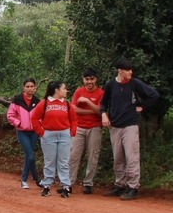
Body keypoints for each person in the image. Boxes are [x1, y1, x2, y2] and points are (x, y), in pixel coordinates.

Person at [101, 58, 160, 201]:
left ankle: (133, 187)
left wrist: (142, 107)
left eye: (131, 70)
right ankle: (119, 185)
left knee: (131, 156)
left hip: (130, 125)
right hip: (115, 126)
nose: (130, 72)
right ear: (120, 70)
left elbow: (154, 95)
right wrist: (104, 115)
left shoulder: (134, 83)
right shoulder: (110, 84)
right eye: (128, 70)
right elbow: (103, 103)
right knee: (118, 157)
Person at [34, 81, 77, 198]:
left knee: (63, 162)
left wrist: (72, 132)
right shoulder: (45, 102)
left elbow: (73, 119)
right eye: (64, 88)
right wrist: (41, 132)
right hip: (49, 135)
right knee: (49, 161)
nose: (66, 90)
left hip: (64, 134)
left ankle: (66, 187)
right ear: (56, 90)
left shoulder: (67, 104)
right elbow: (34, 117)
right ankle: (47, 186)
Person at [69, 69, 104, 194]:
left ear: (96, 79)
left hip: (94, 127)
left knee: (93, 155)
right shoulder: (79, 91)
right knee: (74, 155)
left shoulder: (101, 93)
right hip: (79, 127)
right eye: (87, 79)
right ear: (83, 80)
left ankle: (88, 183)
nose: (89, 82)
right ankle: (69, 183)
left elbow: (101, 112)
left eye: (92, 79)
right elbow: (73, 109)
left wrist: (87, 101)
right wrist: (91, 110)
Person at [6, 78, 40, 189]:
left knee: (28, 156)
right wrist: (18, 123)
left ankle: (24, 180)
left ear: (35, 88)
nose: (30, 88)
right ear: (23, 87)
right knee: (30, 157)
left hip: (34, 132)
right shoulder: (17, 100)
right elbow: (10, 115)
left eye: (31, 86)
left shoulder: (37, 101)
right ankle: (37, 179)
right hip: (22, 132)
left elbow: (41, 116)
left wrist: (38, 125)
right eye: (27, 86)